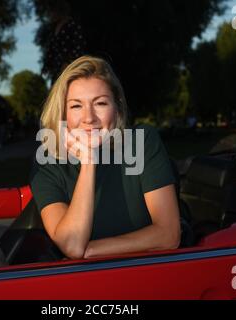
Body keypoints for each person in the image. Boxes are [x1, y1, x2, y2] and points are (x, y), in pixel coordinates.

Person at [30, 56, 181, 260]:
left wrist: (90, 250)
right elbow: (72, 244)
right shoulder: (47, 161)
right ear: (63, 113)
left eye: (100, 103)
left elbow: (168, 235)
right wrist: (88, 162)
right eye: (76, 106)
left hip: (145, 276)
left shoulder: (142, 141)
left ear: (117, 108)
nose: (89, 117)